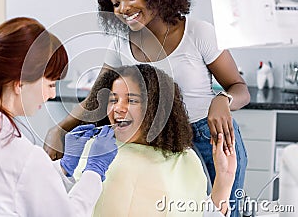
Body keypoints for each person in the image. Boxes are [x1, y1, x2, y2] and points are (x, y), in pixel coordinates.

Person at [43, 0, 249, 216]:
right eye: (115, 2)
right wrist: (59, 129)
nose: (123, 8)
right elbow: (96, 98)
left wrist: (223, 100)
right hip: (159, 141)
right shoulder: (120, 44)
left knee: (222, 210)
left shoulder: (198, 33)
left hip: (208, 138)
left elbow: (239, 88)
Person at [0, 17, 117, 217]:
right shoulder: (22, 156)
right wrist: (93, 173)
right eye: (50, 84)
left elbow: (11, 190)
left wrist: (62, 168)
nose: (52, 95)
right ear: (19, 83)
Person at [74, 64, 236, 216]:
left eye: (131, 100)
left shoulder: (184, 162)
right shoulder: (95, 151)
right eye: (113, 100)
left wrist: (224, 178)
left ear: (156, 108)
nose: (118, 108)